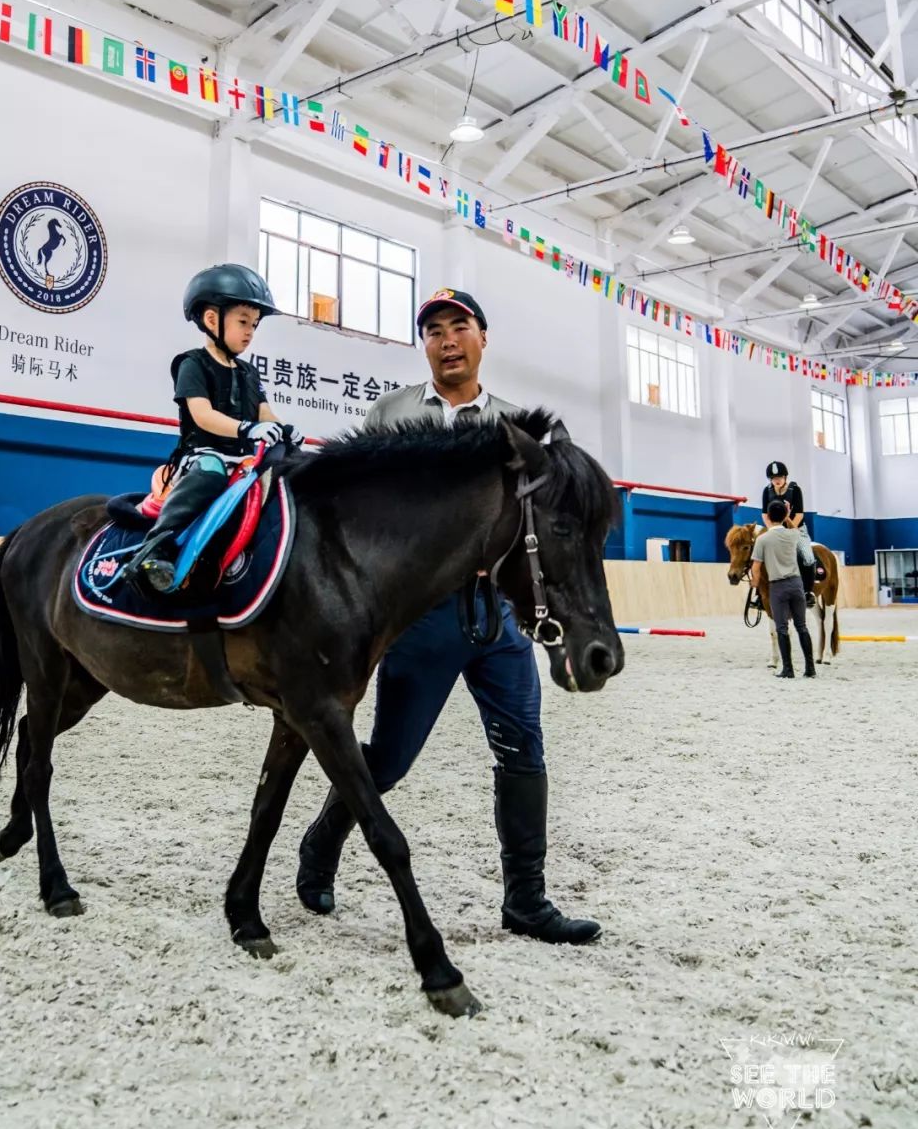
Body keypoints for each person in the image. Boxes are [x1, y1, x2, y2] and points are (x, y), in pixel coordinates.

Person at [295, 287, 600, 946]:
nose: (446, 339)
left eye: (458, 325)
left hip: (500, 618)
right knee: (391, 758)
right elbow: (357, 514)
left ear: (483, 337)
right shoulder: (391, 415)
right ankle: (320, 843)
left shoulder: (523, 425)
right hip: (421, 618)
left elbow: (552, 518)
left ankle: (526, 898)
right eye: (433, 329)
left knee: (523, 751)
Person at [122, 263, 303, 592]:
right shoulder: (192, 364)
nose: (250, 331)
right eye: (243, 322)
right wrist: (246, 430)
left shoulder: (249, 372)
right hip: (203, 455)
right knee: (211, 472)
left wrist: (283, 431)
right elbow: (202, 414)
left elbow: (264, 412)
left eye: (255, 325)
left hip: (245, 459)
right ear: (211, 320)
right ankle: (156, 548)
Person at [752, 499, 818, 678]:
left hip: (778, 587)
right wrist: (788, 517)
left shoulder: (762, 539)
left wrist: (755, 584)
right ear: (783, 516)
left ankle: (788, 669)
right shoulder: (793, 535)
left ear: (768, 517)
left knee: (781, 628)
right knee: (802, 627)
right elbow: (795, 529)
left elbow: (756, 567)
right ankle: (810, 668)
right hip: (797, 584)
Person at [761, 460, 816, 606]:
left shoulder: (795, 490)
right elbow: (765, 515)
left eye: (779, 477)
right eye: (773, 478)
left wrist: (789, 530)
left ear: (785, 477)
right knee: (760, 558)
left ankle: (808, 592)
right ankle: (759, 595)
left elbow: (799, 514)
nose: (776, 480)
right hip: (775, 530)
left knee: (808, 557)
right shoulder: (767, 491)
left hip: (796, 529)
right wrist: (772, 530)